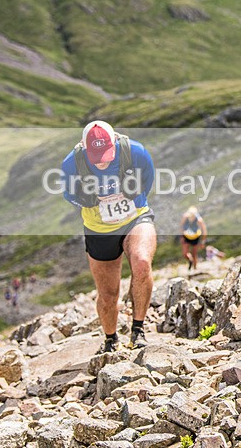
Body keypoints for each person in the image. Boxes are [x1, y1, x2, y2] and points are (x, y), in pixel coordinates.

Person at [62, 120, 157, 353]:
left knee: (142, 262)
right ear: (84, 148)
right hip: (99, 229)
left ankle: (138, 329)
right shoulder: (72, 163)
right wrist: (85, 199)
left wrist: (135, 193)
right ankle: (110, 339)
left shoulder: (135, 151)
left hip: (135, 218)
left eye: (106, 154)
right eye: (97, 156)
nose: (103, 160)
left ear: (114, 141)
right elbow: (68, 193)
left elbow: (148, 179)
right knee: (108, 293)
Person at [180, 206, 207, 271]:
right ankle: (190, 260)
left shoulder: (199, 220)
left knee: (194, 253)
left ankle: (195, 269)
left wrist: (203, 241)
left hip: (195, 237)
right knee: (185, 253)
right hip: (186, 236)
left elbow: (204, 231)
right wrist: (182, 236)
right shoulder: (185, 217)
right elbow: (181, 226)